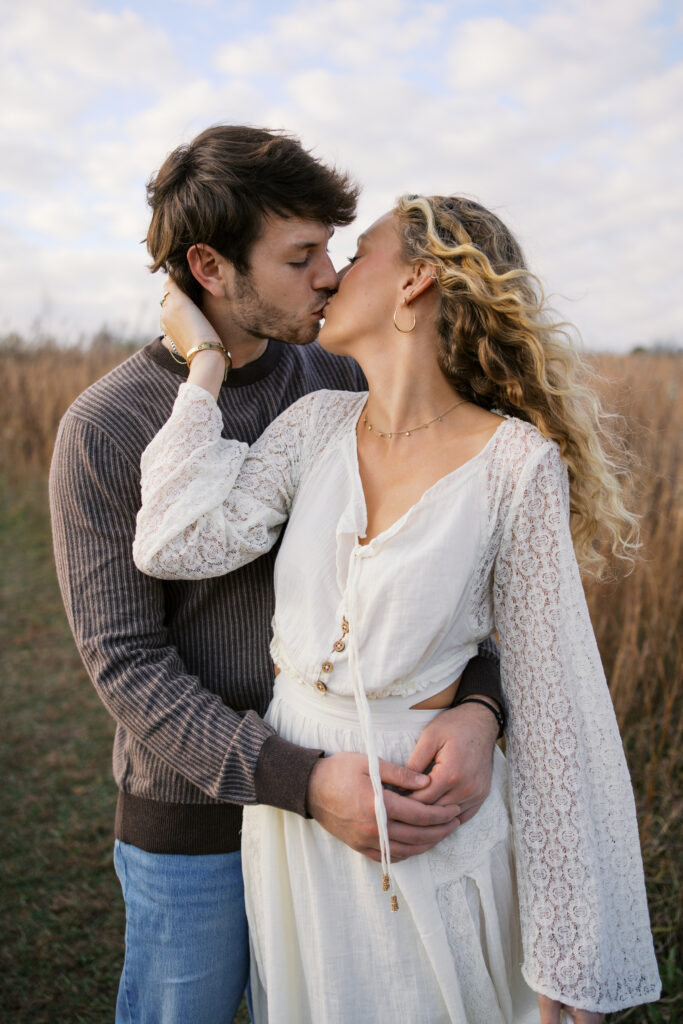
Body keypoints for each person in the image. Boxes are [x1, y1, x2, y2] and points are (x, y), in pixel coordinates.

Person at [134, 194, 661, 1024]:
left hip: (430, 819)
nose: (334, 273)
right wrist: (202, 364)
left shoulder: (515, 465)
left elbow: (560, 712)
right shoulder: (313, 426)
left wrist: (571, 954)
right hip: (298, 824)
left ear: (417, 280)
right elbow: (171, 543)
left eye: (361, 252)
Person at [49, 127, 505, 1024]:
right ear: (210, 268)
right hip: (199, 829)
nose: (330, 275)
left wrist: (482, 702)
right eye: (301, 257)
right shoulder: (105, 425)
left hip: (369, 805)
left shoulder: (345, 381)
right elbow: (125, 663)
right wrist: (297, 779)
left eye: (332, 249)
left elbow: (449, 567)